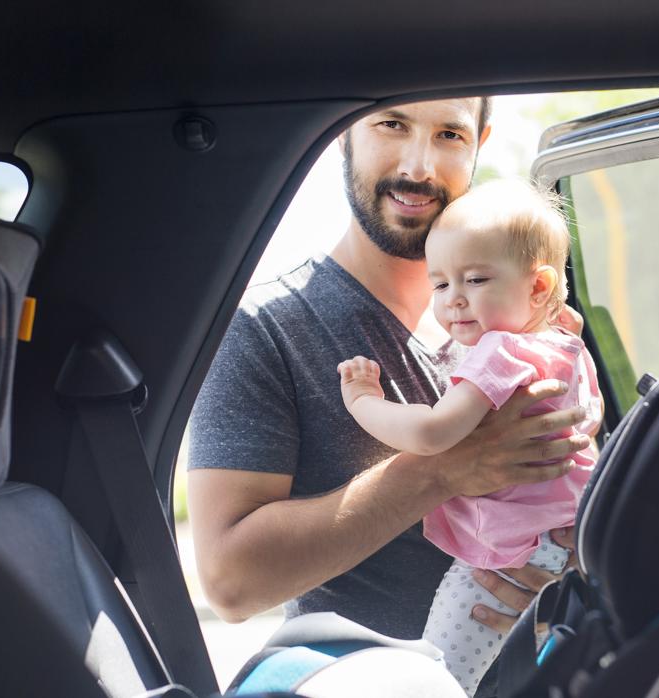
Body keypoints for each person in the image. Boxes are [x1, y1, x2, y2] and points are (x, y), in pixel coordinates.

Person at [187, 98, 591, 683]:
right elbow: (230, 583)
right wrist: (443, 469)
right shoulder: (263, 329)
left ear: (480, 139)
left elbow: (575, 464)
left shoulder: (528, 319)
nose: (419, 166)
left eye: (449, 134)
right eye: (392, 123)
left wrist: (571, 556)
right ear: (342, 133)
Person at [337, 179, 601, 694]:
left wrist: (363, 400)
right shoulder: (565, 342)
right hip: (562, 543)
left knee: (440, 675)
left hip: (509, 553)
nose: (454, 301)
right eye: (440, 285)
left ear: (539, 287)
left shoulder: (502, 351)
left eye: (476, 280)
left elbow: (433, 433)